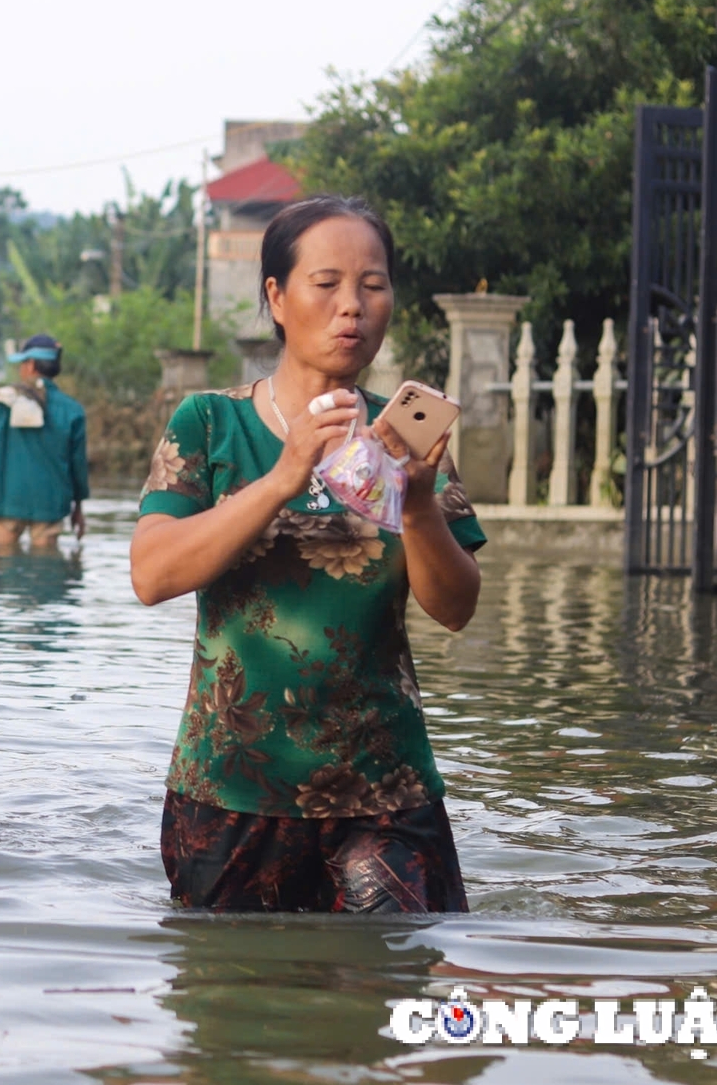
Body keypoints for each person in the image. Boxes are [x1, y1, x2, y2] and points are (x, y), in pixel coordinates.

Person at [129, 194, 484, 913]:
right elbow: (152, 574)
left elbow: (455, 608)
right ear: (277, 297)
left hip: (386, 792)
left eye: (373, 284)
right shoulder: (210, 423)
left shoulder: (409, 438)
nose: (351, 306)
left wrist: (416, 503)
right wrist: (284, 476)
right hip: (229, 788)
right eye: (326, 284)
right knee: (235, 1006)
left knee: (384, 1000)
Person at [0, 334, 89, 552]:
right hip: (50, 502)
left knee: (2, 563)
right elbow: (78, 466)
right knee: (45, 572)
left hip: (6, 498)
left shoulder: (3, 403)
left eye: (22, 363)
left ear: (30, 365)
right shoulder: (72, 410)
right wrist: (78, 507)